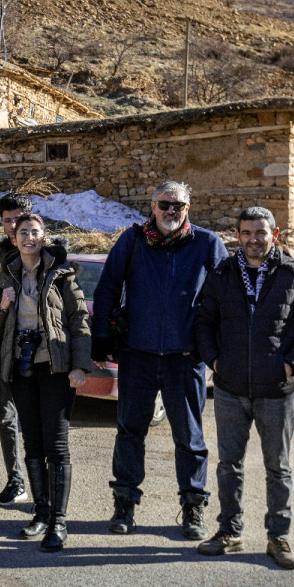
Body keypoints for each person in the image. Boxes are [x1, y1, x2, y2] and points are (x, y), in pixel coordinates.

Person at [90, 181, 227, 539]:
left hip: (185, 359)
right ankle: (124, 505)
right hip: (138, 355)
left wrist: (210, 348)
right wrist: (102, 335)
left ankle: (193, 509)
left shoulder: (208, 244)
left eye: (178, 206)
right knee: (130, 433)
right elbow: (107, 288)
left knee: (190, 438)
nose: (171, 211)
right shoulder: (132, 241)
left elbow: (226, 300)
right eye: (165, 204)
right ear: (152, 206)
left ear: (188, 208)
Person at [194, 206, 294, 570]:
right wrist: (215, 361)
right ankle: (229, 531)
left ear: (274, 234)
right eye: (247, 233)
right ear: (237, 235)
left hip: (276, 390)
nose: (253, 239)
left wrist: (290, 364)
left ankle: (278, 536)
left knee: (277, 467)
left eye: (260, 233)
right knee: (229, 465)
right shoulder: (222, 274)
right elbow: (204, 322)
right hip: (230, 388)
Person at [0, 214, 91, 550]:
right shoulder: (4, 272)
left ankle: (59, 522)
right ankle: (42, 513)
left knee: (57, 446)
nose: (29, 238)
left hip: (55, 367)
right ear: (14, 237)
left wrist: (79, 365)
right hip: (21, 367)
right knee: (32, 443)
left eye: (35, 232)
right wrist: (3, 305)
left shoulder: (61, 274)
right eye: (23, 233)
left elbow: (79, 320)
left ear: (44, 237)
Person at [0, 192, 32, 508]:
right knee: (6, 417)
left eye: (18, 218)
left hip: (36, 352)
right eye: (7, 219)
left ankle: (44, 484)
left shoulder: (47, 253)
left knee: (37, 419)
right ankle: (16, 480)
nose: (13, 226)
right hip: (1, 349)